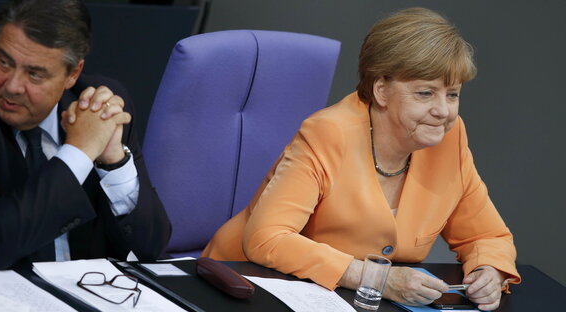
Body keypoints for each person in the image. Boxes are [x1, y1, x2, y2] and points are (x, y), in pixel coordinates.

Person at [202, 7, 520, 311]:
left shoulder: (449, 138)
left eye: (452, 94)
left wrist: (489, 271)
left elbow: (486, 235)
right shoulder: (328, 133)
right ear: (381, 90)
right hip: (241, 286)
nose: (443, 111)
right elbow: (266, 238)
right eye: (425, 93)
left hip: (339, 300)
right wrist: (377, 279)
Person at [0, 0, 171, 268]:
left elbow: (151, 249)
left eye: (34, 74)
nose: (13, 86)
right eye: (4, 62)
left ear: (73, 74)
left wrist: (113, 161)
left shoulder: (101, 107)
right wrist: (79, 153)